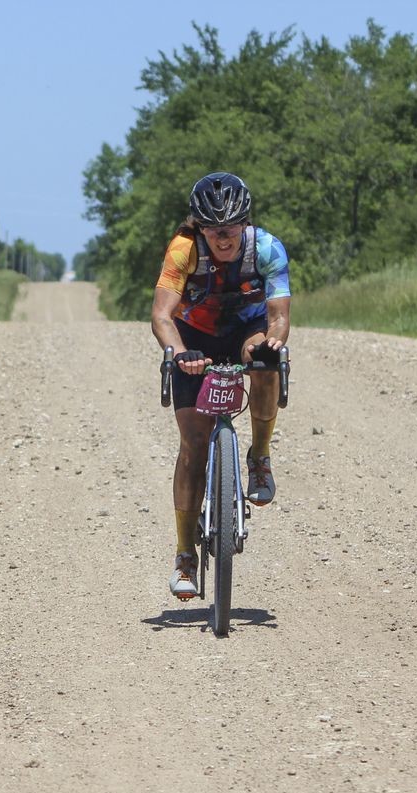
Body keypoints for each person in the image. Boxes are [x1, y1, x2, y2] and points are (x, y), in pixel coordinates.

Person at [150, 172, 292, 600]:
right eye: (213, 231)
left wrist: (274, 340)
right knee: (193, 444)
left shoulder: (267, 248)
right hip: (193, 338)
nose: (222, 239)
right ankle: (184, 556)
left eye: (229, 230)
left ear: (244, 223)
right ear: (199, 226)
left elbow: (279, 316)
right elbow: (161, 314)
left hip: (246, 330)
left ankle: (259, 455)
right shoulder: (183, 250)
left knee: (266, 359)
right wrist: (177, 352)